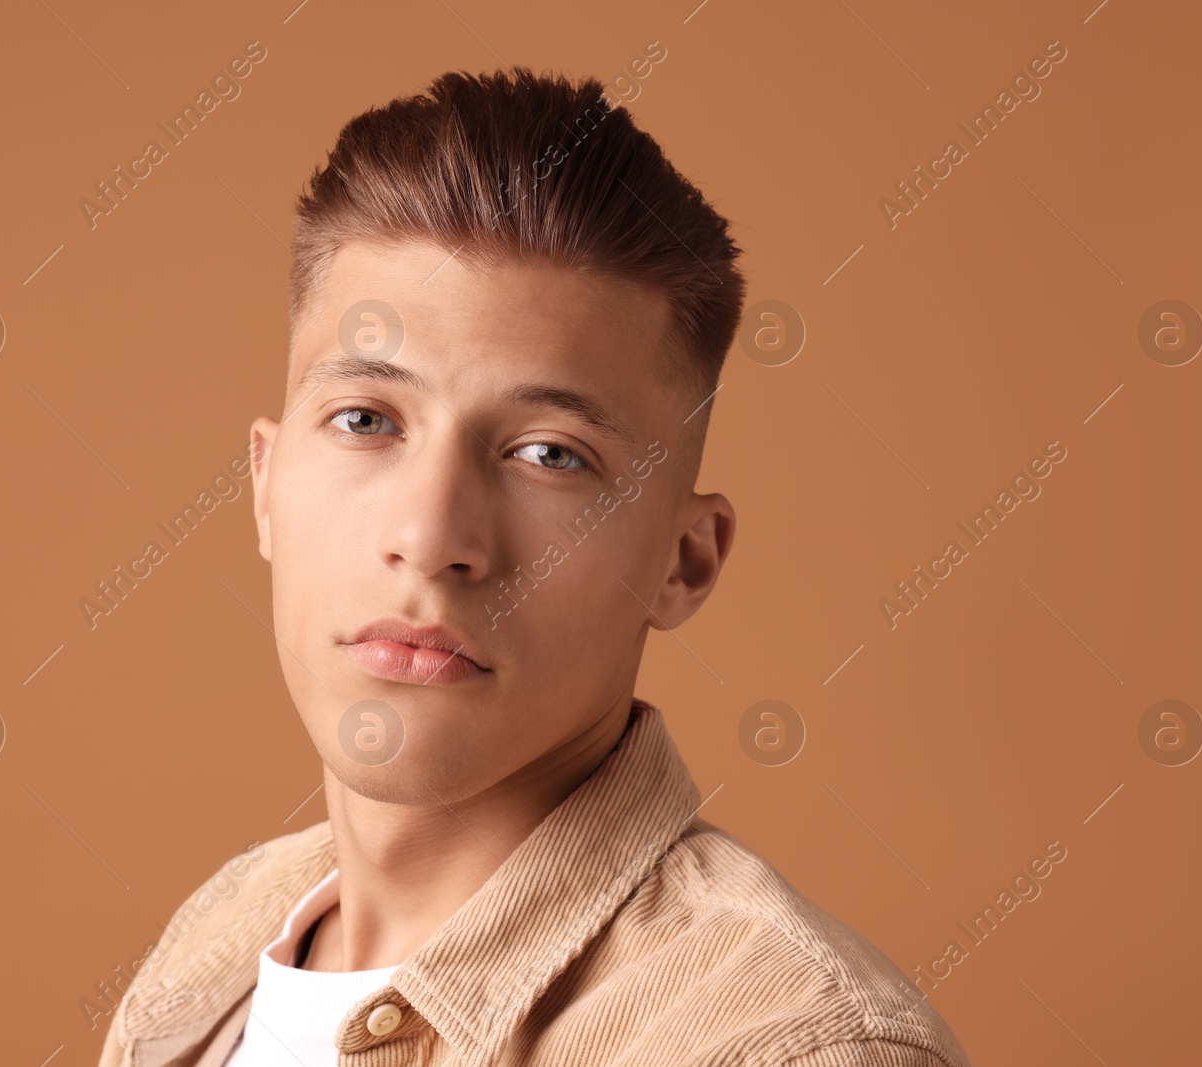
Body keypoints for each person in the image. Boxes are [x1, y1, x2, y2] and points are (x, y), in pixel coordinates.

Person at [94, 66, 970, 1067]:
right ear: (262, 483)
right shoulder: (216, 941)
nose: (431, 537)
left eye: (550, 453)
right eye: (365, 420)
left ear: (684, 562)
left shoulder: (784, 1044)